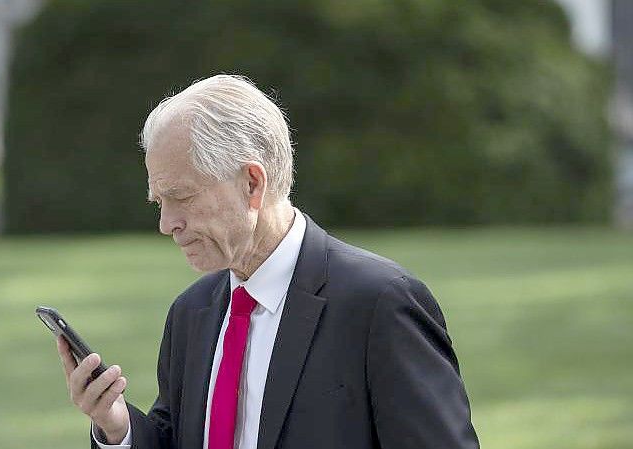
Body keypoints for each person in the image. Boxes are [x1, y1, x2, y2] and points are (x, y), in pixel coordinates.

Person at [56, 74, 480, 449]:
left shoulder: (379, 303)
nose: (167, 224)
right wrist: (117, 428)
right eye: (159, 203)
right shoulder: (191, 312)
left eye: (182, 197)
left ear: (252, 183)